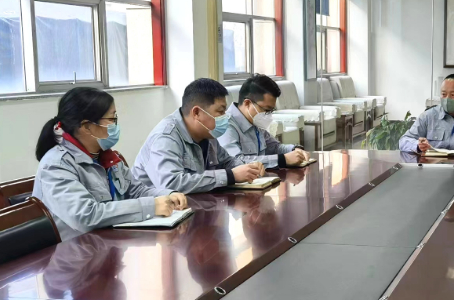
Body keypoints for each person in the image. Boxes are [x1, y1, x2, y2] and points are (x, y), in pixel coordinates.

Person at [33, 87, 188, 241]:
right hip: (76, 251)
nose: (115, 126)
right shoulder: (56, 165)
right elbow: (86, 216)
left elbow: (135, 191)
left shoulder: (106, 156)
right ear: (87, 126)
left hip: (110, 242)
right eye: (112, 119)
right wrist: (151, 206)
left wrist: (167, 195)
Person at [133, 78, 263, 194]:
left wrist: (250, 167)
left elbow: (226, 162)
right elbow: (171, 184)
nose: (226, 117)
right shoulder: (166, 138)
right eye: (220, 111)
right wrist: (230, 176)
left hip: (197, 204)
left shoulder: (208, 133)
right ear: (196, 113)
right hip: (161, 210)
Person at [218, 74, 310, 169]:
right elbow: (235, 162)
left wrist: (295, 150)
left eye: (271, 111)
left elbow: (275, 147)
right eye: (266, 110)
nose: (268, 115)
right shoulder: (226, 125)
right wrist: (282, 159)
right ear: (247, 103)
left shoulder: (254, 121)